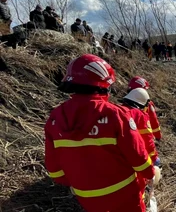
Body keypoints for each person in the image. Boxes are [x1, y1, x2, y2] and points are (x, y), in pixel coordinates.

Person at [44, 54, 155, 212]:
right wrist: (150, 173)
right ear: (104, 84)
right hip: (124, 194)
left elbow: (54, 169)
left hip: (86, 198)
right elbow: (138, 156)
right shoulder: (116, 115)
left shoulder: (55, 118)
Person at [122, 88, 159, 166]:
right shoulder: (140, 116)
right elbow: (147, 140)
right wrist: (154, 158)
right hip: (136, 156)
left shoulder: (117, 111)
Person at [127, 76, 162, 141]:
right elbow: (153, 120)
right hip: (143, 136)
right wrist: (157, 136)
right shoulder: (148, 104)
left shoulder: (124, 103)